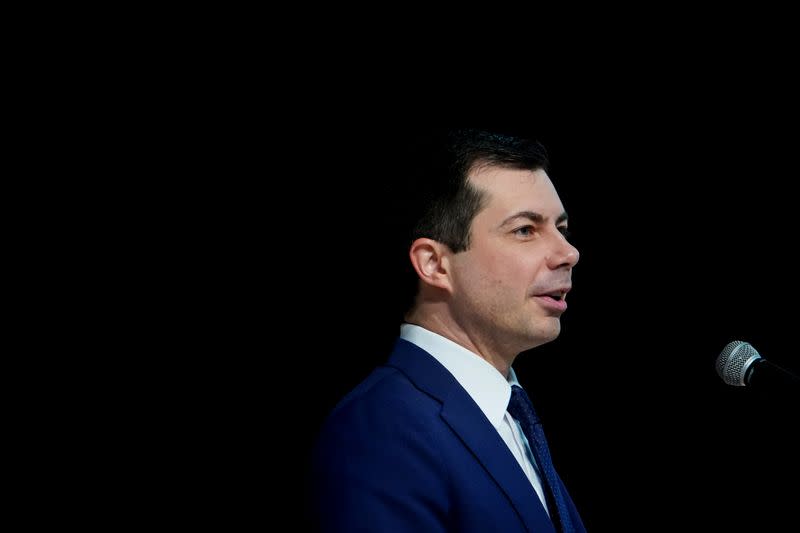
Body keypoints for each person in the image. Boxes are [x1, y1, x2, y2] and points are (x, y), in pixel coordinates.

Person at [309, 127, 586, 532]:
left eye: (561, 229)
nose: (568, 253)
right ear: (435, 265)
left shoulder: (508, 415)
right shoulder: (380, 431)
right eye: (525, 230)